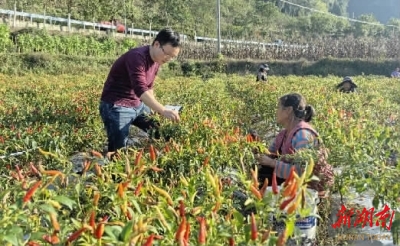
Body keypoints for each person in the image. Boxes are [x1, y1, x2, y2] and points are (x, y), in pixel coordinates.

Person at [99, 28, 181, 154]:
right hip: (117, 106)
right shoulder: (137, 57)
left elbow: (149, 86)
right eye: (167, 54)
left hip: (138, 105)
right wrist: (163, 110)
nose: (168, 59)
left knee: (161, 132)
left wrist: (155, 108)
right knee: (118, 152)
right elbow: (140, 89)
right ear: (156, 44)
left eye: (172, 57)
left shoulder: (157, 61)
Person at [254, 93, 334, 195]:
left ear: (288, 111)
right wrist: (258, 150)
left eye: (279, 107)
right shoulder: (284, 133)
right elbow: (271, 153)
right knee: (258, 170)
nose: (276, 112)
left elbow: (301, 172)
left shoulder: (302, 135)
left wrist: (271, 162)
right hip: (290, 182)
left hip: (307, 190)